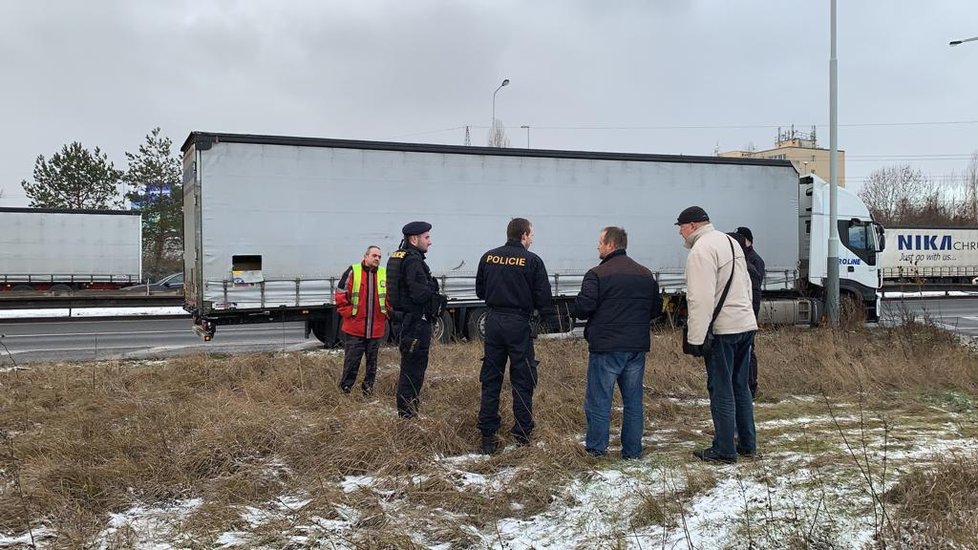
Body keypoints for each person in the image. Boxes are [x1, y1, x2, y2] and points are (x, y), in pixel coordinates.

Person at [677, 206, 757, 464]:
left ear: (692, 226)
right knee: (741, 386)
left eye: (681, 227)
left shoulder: (701, 250)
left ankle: (724, 449)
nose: (680, 232)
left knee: (721, 388)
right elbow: (746, 284)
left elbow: (699, 298)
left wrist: (696, 340)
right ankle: (747, 444)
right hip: (745, 324)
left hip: (724, 330)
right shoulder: (730, 242)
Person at [572, 227, 660, 459]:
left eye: (600, 242)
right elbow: (655, 309)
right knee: (633, 402)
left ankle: (596, 450)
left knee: (599, 401)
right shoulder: (645, 274)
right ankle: (632, 452)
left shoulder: (596, 274)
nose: (597, 246)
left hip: (606, 348)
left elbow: (583, 308)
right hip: (636, 347)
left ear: (611, 245)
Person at [476, 217, 556, 454]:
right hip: (518, 324)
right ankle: (522, 434)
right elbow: (543, 296)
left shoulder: (488, 256)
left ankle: (488, 437)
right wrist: (548, 320)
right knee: (522, 379)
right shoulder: (532, 261)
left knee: (491, 379)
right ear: (523, 235)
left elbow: (480, 291)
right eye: (531, 234)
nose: (532, 239)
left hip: (493, 322)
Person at [386, 221, 443, 418]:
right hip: (415, 323)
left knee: (409, 368)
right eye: (426, 237)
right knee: (413, 371)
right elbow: (419, 294)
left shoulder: (399, 256)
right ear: (414, 238)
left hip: (405, 321)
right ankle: (408, 416)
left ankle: (407, 413)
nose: (430, 242)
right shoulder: (413, 261)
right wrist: (433, 292)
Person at [335, 245, 388, 396]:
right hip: (355, 328)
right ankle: (345, 390)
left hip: (376, 329)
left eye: (379, 256)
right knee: (351, 363)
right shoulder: (353, 271)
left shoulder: (384, 274)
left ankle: (368, 391)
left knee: (372, 365)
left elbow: (389, 297)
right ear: (365, 256)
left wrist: (386, 314)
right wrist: (349, 313)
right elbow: (340, 293)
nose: (377, 258)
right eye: (374, 255)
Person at [735, 226, 765, 399]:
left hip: (748, 313)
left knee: (749, 350)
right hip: (742, 313)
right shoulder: (741, 258)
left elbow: (755, 291)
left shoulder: (755, 261)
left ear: (749, 240)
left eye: (741, 238)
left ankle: (751, 385)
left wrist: (751, 315)